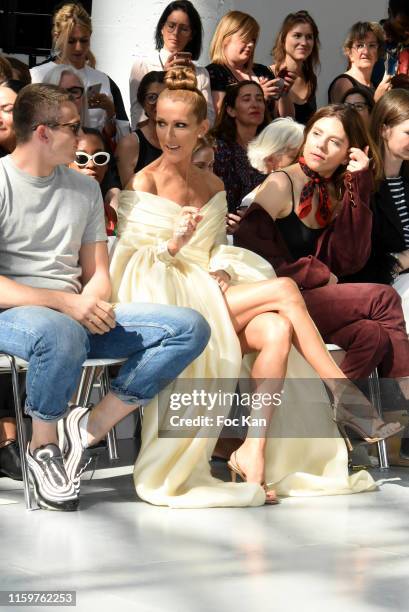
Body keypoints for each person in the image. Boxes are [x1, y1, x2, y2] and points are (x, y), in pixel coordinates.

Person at [110, 67, 395, 509]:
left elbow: (216, 251)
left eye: (181, 125)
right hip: (166, 301)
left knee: (277, 331)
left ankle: (253, 450)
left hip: (210, 290)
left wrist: (218, 265)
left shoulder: (213, 183)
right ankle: (341, 391)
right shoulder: (144, 180)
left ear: (202, 128)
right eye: (161, 123)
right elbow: (129, 266)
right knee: (283, 289)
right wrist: (173, 245)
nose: (169, 134)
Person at [0, 83, 210, 511]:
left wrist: (91, 303)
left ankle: (88, 428)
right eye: (72, 128)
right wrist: (66, 304)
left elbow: (97, 272)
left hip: (74, 317)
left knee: (188, 327)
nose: (81, 138)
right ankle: (44, 448)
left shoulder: (83, 190)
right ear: (42, 132)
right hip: (14, 315)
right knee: (60, 333)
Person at [234, 104, 409, 392]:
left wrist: (359, 184)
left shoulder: (335, 190)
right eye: (316, 133)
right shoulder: (280, 183)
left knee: (372, 335)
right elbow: (250, 251)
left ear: (348, 154)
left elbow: (351, 259)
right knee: (385, 297)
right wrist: (312, 273)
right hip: (280, 301)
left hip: (315, 300)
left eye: (335, 142)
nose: (321, 146)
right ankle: (402, 402)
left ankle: (337, 414)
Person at [351, 89, 409, 329]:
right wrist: (400, 261)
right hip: (388, 286)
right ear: (384, 129)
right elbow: (357, 261)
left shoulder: (406, 178)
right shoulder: (363, 181)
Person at [30, 2, 129, 139]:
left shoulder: (103, 79)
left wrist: (110, 111)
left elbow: (114, 137)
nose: (78, 48)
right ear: (57, 36)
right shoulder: (36, 75)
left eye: (84, 41)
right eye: (71, 41)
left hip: (91, 156)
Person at [129, 0, 214, 129]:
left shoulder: (201, 74)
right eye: (171, 26)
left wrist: (191, 85)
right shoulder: (142, 66)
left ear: (192, 35)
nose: (175, 33)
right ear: (162, 28)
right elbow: (138, 116)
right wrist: (165, 79)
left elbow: (209, 119)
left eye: (184, 29)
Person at [206, 11, 295, 118]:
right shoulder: (214, 73)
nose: (251, 44)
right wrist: (258, 97)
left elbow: (286, 120)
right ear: (225, 39)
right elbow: (218, 118)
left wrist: (284, 93)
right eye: (245, 38)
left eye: (253, 39)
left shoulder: (263, 71)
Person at [212, 80, 269, 213]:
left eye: (259, 99)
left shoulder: (273, 148)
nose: (255, 104)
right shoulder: (219, 149)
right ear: (231, 110)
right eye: (246, 99)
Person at [116, 71, 165, 188]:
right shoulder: (130, 144)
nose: (158, 103)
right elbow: (129, 194)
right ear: (143, 102)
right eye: (152, 97)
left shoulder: (183, 140)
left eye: (164, 96)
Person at [270, 10, 319, 124]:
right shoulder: (269, 74)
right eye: (297, 35)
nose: (304, 42)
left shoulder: (310, 78)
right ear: (283, 40)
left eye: (309, 37)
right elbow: (283, 121)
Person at [69, 127, 117, 235]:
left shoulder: (110, 213)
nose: (91, 165)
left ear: (106, 167)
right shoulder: (57, 210)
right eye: (81, 158)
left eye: (100, 158)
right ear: (67, 163)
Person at [328, 21, 389, 105]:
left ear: (378, 52)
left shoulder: (374, 86)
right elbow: (348, 118)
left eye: (372, 45)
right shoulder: (344, 83)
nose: (366, 51)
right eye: (360, 46)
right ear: (349, 52)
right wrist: (377, 101)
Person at [372, 0, 409, 86]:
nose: (408, 32)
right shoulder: (371, 43)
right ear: (390, 13)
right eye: (403, 24)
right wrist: (392, 84)